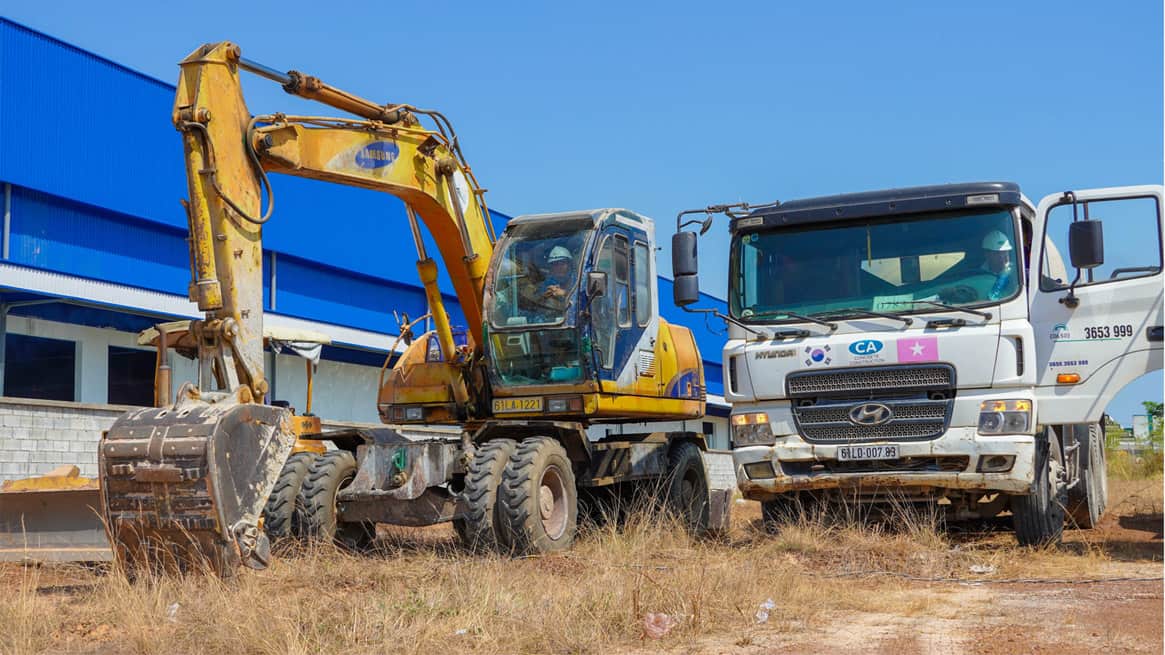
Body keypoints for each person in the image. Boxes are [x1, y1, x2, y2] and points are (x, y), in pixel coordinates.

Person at [939, 229, 1018, 303]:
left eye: (1005, 252)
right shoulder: (976, 274)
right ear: (987, 254)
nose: (1002, 257)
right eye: (996, 253)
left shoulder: (1016, 272)